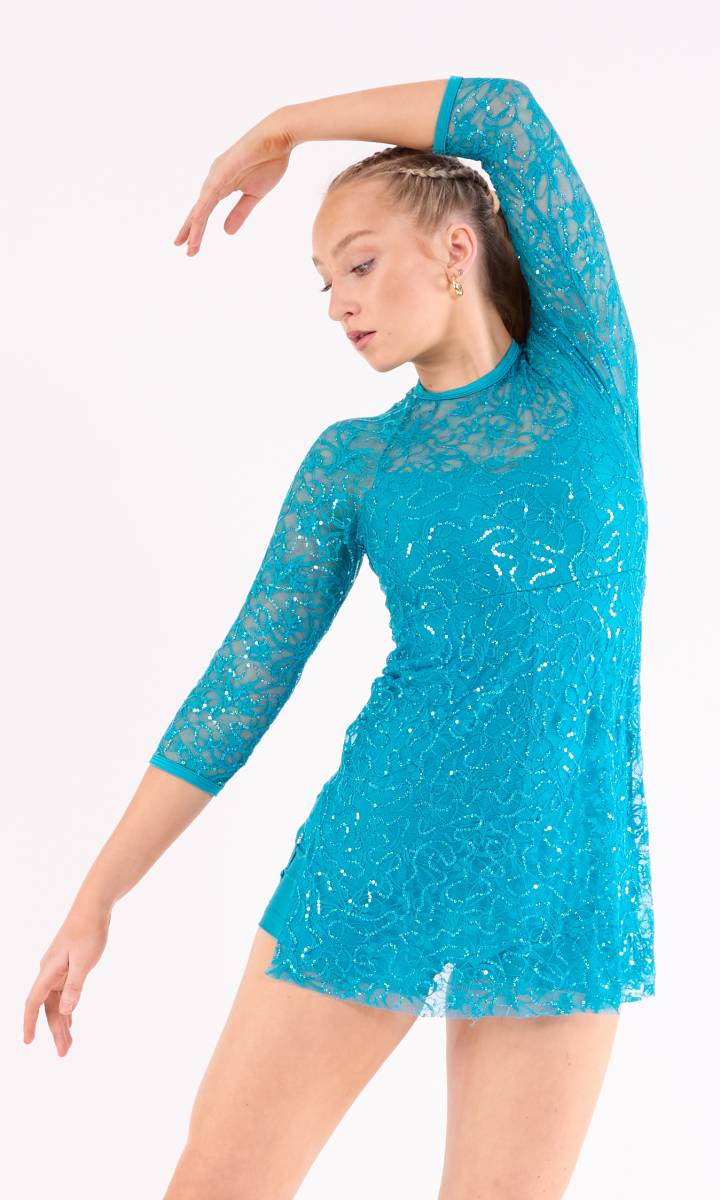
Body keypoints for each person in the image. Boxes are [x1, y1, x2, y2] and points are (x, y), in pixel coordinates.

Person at [24, 75, 655, 1199]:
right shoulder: (355, 463)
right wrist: (96, 897)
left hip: (565, 862)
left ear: (456, 250)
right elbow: (242, 684)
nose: (337, 304)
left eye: (358, 265)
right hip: (381, 848)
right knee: (217, 1184)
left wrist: (282, 128)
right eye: (325, 282)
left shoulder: (587, 374)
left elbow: (504, 114)